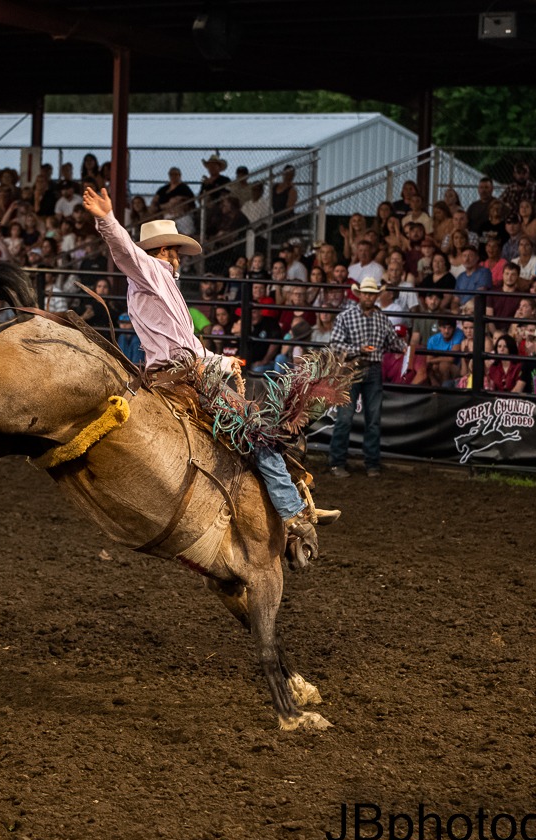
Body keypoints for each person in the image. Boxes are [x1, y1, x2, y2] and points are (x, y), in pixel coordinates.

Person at [82, 185, 338, 569]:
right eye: (169, 250)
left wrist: (221, 361)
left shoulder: (162, 284)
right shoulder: (149, 271)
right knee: (258, 432)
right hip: (181, 376)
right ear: (159, 253)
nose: (174, 257)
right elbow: (125, 250)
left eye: (175, 251)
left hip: (183, 371)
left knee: (250, 429)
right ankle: (294, 513)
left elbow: (188, 347)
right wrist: (107, 220)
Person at [328, 277, 406, 478]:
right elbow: (335, 345)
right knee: (345, 418)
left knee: (373, 419)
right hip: (351, 369)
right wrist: (357, 350)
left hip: (371, 369)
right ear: (360, 294)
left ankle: (369, 462)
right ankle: (340, 462)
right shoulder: (346, 316)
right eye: (366, 293)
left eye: (372, 294)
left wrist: (404, 345)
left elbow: (392, 342)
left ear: (376, 296)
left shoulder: (382, 319)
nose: (369, 297)